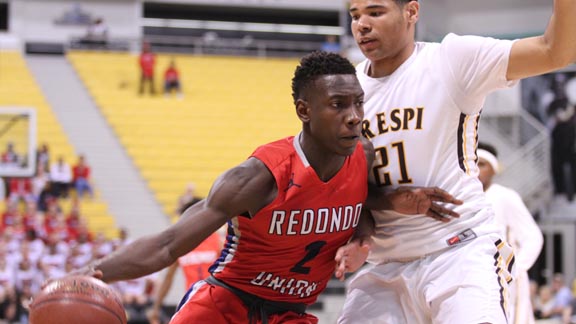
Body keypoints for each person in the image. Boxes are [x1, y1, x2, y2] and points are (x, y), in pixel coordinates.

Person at [73, 51, 461, 324]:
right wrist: (94, 272)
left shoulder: (362, 155)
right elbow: (166, 245)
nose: (354, 117)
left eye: (358, 104)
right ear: (304, 111)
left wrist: (373, 225)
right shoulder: (258, 177)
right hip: (224, 306)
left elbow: (358, 202)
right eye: (338, 105)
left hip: (291, 312)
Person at [339, 1, 576, 323]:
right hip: (385, 267)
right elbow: (344, 187)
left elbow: (554, 52)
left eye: (375, 12)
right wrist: (380, 212)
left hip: (459, 254)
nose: (361, 25)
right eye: (355, 16)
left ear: (411, 12)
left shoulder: (451, 59)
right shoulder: (347, 92)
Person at [477, 142, 544, 324]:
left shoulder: (504, 195)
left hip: (503, 279)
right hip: (473, 276)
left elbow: (532, 236)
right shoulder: (463, 197)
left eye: (482, 164)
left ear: (494, 169)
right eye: (473, 163)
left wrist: (518, 267)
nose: (476, 169)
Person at [148, 199, 223, 324]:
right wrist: (156, 307)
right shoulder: (180, 246)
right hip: (192, 303)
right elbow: (168, 278)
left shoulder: (218, 241)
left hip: (217, 304)